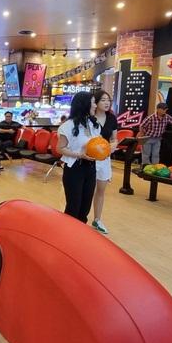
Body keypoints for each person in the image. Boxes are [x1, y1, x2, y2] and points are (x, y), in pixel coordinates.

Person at [56, 92, 99, 223]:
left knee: (85, 207)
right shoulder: (67, 126)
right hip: (74, 168)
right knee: (74, 206)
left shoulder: (93, 124)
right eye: (93, 102)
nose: (96, 105)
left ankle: (81, 236)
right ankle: (68, 236)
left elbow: (97, 144)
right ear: (84, 105)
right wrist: (80, 155)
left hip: (91, 168)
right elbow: (60, 148)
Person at [91, 90, 118, 235]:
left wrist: (113, 145)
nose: (106, 103)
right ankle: (79, 218)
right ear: (95, 102)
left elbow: (114, 138)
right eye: (103, 100)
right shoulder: (89, 118)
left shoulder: (112, 118)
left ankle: (97, 219)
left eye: (108, 100)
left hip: (104, 158)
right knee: (87, 190)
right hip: (89, 158)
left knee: (101, 190)